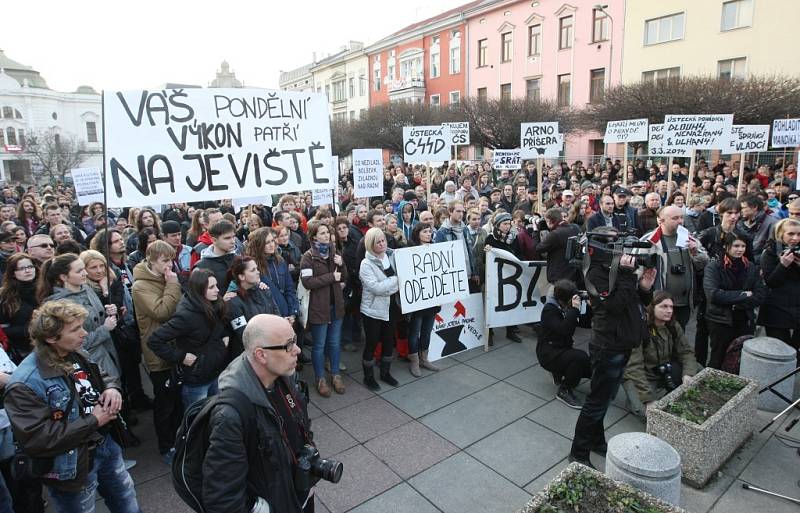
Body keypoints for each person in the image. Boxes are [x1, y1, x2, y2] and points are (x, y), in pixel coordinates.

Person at [5, 300, 142, 513]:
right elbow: (38, 439)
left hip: (105, 446)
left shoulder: (75, 352)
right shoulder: (25, 383)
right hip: (70, 465)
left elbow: (103, 376)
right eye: (76, 329)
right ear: (51, 338)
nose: (85, 334)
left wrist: (112, 389)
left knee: (126, 501)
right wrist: (94, 420)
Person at [202, 314, 313, 513]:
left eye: (295, 341)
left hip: (297, 495)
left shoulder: (285, 377)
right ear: (261, 355)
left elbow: (300, 426)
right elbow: (223, 498)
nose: (297, 350)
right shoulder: (230, 415)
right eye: (288, 345)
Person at [569, 227, 656, 469]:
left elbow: (632, 302)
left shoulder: (614, 269)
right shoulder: (594, 273)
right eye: (611, 242)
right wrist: (629, 276)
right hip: (608, 347)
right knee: (596, 401)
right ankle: (578, 452)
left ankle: (596, 440)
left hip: (622, 343)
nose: (618, 248)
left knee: (605, 398)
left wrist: (644, 288)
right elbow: (615, 305)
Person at [131, 240, 183, 463]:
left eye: (171, 259)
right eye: (164, 260)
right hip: (158, 352)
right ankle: (166, 446)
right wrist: (173, 285)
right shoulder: (140, 285)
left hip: (176, 346)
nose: (169, 265)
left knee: (178, 400)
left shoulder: (165, 277)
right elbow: (161, 311)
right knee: (165, 403)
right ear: (151, 260)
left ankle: (179, 440)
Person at [148, 268, 229, 409]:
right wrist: (180, 356)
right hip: (197, 381)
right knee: (197, 423)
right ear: (199, 290)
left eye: (216, 285)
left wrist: (223, 337)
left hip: (215, 373)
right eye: (211, 287)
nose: (217, 290)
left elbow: (218, 327)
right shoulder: (185, 316)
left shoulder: (214, 304)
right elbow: (154, 340)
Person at [39, 253, 120, 381]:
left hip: (108, 353)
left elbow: (99, 319)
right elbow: (73, 343)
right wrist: (105, 329)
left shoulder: (86, 288)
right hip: (90, 362)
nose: (85, 273)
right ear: (64, 277)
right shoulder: (59, 305)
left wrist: (111, 312)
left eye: (84, 269)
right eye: (79, 271)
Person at [622, 292, 701, 418]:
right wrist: (648, 399)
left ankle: (666, 391)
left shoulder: (673, 325)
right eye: (664, 306)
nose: (669, 311)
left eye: (671, 307)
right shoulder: (639, 329)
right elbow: (634, 367)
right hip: (641, 375)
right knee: (646, 412)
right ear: (652, 307)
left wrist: (688, 375)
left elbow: (686, 351)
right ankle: (635, 401)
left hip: (664, 369)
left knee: (698, 369)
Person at [703, 232, 767, 369]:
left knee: (741, 358)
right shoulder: (714, 267)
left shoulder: (750, 267)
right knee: (718, 357)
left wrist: (734, 303)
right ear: (726, 246)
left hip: (744, 319)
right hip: (721, 320)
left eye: (743, 246)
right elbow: (713, 295)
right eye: (736, 246)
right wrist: (743, 295)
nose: (740, 249)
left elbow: (760, 294)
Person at [638, 206, 708, 329]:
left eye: (682, 217)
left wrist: (695, 252)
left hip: (684, 303)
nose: (680, 221)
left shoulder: (689, 237)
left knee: (679, 338)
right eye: (675, 218)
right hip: (658, 304)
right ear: (661, 220)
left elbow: (704, 264)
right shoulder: (648, 240)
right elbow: (637, 271)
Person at [300, 223, 347, 397]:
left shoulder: (335, 252)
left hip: (336, 306)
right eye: (322, 233)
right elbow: (308, 282)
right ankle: (320, 378)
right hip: (319, 307)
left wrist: (342, 265)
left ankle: (335, 374)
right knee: (319, 345)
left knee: (334, 342)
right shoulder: (309, 256)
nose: (326, 235)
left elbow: (344, 277)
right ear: (313, 237)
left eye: (328, 232)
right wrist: (330, 277)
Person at [537, 280, 591, 409]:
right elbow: (565, 329)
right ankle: (564, 390)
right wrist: (573, 309)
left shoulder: (562, 306)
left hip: (560, 349)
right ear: (563, 299)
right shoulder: (549, 310)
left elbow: (584, 323)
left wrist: (589, 307)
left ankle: (559, 373)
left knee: (589, 368)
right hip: (548, 353)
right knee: (579, 357)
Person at [359, 227, 400, 391]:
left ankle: (385, 373)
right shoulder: (366, 264)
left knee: (389, 341)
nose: (382, 244)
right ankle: (368, 376)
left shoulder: (392, 256)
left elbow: (389, 285)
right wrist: (396, 281)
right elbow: (376, 288)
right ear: (371, 244)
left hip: (390, 307)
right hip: (373, 310)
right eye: (378, 242)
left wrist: (391, 286)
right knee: (372, 342)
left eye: (383, 240)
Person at [756, 218, 800, 360]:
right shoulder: (770, 252)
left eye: (799, 234)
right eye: (791, 234)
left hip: (797, 308)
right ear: (780, 234)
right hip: (776, 310)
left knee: (795, 354)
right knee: (780, 353)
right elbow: (771, 282)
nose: (795, 238)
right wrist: (783, 266)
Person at [225, 256, 279, 359]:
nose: (258, 272)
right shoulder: (233, 301)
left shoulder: (264, 290)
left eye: (257, 268)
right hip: (251, 356)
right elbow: (244, 335)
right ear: (241, 276)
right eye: (253, 270)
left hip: (271, 347)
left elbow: (276, 315)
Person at [406, 223, 441, 376]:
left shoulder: (436, 249)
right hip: (418, 300)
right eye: (425, 232)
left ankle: (424, 359)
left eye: (430, 231)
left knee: (426, 331)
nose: (429, 234)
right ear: (417, 233)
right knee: (415, 332)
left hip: (432, 298)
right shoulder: (409, 251)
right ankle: (414, 361)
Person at [484, 212, 523, 343]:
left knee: (510, 302)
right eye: (504, 224)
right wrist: (488, 252)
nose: (507, 226)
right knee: (493, 303)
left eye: (509, 223)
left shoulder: (514, 238)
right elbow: (486, 260)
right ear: (497, 225)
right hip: (495, 276)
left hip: (511, 275)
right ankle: (489, 332)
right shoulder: (490, 239)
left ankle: (511, 331)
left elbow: (518, 255)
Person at [0, 253, 39, 364]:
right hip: (23, 351)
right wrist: (28, 329)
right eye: (22, 268)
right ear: (13, 273)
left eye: (30, 267)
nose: (28, 271)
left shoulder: (45, 289)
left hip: (50, 345)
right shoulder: (5, 296)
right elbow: (3, 331)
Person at [534, 207, 580, 285]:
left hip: (559, 277)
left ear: (549, 221)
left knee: (551, 297)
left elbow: (538, 248)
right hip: (573, 274)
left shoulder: (555, 234)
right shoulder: (575, 228)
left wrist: (535, 230)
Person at [194, 220, 238, 292]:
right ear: (214, 240)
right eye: (227, 238)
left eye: (233, 237)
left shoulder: (238, 259)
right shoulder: (202, 266)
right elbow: (199, 296)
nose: (233, 241)